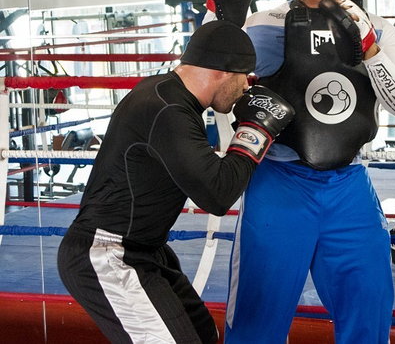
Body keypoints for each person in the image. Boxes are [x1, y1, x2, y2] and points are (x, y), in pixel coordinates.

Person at [207, 0, 395, 343]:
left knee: (368, 303)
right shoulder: (263, 25)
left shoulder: (379, 28)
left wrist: (368, 45)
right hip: (278, 180)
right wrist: (220, 21)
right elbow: (213, 85)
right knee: (258, 312)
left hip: (349, 183)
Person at [57, 20, 295, 343]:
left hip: (146, 252)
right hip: (108, 255)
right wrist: (256, 132)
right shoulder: (167, 110)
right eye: (245, 77)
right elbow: (217, 194)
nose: (246, 88)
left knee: (203, 333)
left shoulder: (169, 96)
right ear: (223, 70)